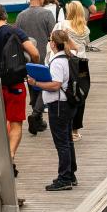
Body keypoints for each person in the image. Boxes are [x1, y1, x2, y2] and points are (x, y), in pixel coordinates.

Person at [0, 4, 40, 172]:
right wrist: (33, 67)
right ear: (5, 16)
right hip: (16, 84)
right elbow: (34, 53)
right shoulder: (16, 32)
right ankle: (10, 155)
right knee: (16, 123)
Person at [26, 29, 77, 191]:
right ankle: (71, 174)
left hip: (58, 106)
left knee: (61, 143)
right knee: (67, 141)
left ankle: (64, 178)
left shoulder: (57, 62)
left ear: (53, 43)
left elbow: (55, 85)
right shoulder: (69, 57)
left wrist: (36, 84)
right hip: (67, 104)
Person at [15, 0, 57, 135]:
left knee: (32, 85)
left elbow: (17, 38)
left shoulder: (20, 16)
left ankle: (37, 121)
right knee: (44, 86)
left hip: (26, 58)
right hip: (42, 57)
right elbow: (54, 36)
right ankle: (36, 114)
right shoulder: (47, 15)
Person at [52, 1, 91, 140]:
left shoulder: (62, 25)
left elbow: (54, 40)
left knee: (66, 93)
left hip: (67, 61)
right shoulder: (85, 28)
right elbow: (86, 44)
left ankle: (66, 128)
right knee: (80, 95)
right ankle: (75, 130)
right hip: (81, 64)